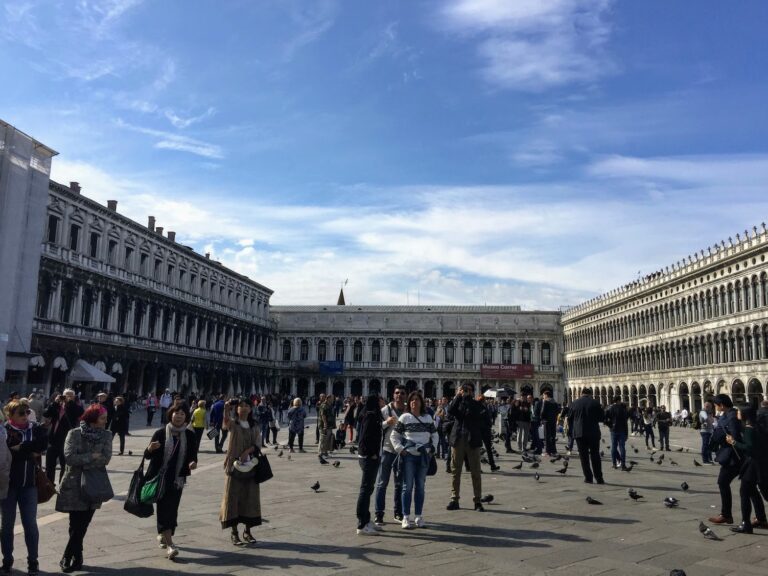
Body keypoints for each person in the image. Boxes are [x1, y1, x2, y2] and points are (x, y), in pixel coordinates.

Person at [55, 404, 113, 572]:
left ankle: (68, 555)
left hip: (94, 484)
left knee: (84, 523)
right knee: (75, 523)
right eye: (102, 418)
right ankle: (76, 556)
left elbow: (106, 459)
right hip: (73, 484)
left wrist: (84, 460)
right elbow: (69, 458)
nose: (105, 421)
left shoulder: (106, 435)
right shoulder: (74, 433)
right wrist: (92, 456)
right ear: (92, 418)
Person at [145, 404, 198, 560]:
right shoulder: (160, 433)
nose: (179, 416)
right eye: (176, 413)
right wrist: (150, 449)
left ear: (186, 417)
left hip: (177, 479)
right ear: (170, 415)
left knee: (173, 510)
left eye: (182, 413)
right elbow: (147, 456)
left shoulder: (189, 435)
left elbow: (193, 455)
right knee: (164, 510)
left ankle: (164, 534)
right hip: (160, 478)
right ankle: (170, 545)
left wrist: (192, 463)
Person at [2, 399, 48, 576]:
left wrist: (21, 448)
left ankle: (33, 561)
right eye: (21, 413)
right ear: (10, 415)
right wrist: (29, 451)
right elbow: (6, 453)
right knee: (7, 525)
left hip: (30, 484)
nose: (25, 416)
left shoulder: (35, 428)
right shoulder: (4, 430)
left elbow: (42, 445)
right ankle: (7, 561)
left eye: (27, 412)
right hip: (8, 485)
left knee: (30, 524)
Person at [391, 391, 438, 529]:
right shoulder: (405, 417)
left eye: (417, 399)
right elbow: (394, 435)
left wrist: (432, 449)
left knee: (421, 487)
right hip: (409, 456)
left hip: (423, 456)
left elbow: (435, 435)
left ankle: (418, 516)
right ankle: (406, 517)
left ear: (421, 402)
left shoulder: (427, 418)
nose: (414, 402)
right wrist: (401, 450)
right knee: (407, 487)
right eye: (412, 399)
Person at [220, 398, 262, 545]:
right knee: (232, 497)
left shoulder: (254, 425)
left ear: (250, 409)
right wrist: (226, 409)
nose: (243, 408)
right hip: (234, 465)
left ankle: (248, 531)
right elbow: (225, 423)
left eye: (246, 406)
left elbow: (258, 443)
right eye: (240, 406)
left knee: (250, 497)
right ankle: (234, 532)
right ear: (237, 409)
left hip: (251, 465)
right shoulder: (234, 423)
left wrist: (247, 451)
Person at [727, 405, 768, 533]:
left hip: (752, 464)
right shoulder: (758, 426)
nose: (737, 413)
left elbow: (749, 448)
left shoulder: (749, 428)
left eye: (739, 411)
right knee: (752, 491)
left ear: (745, 414)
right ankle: (760, 518)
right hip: (760, 463)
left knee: (744, 492)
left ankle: (746, 524)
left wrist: (733, 442)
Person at [446, 384, 485, 511]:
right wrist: (458, 396)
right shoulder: (458, 402)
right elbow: (450, 410)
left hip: (472, 439)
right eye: (464, 390)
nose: (466, 392)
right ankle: (454, 499)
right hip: (458, 439)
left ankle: (477, 501)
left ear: (472, 392)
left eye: (468, 390)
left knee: (475, 471)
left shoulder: (475, 404)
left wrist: (468, 398)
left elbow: (474, 414)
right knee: (455, 471)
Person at [374, 385, 406, 525]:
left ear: (405, 395)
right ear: (393, 394)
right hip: (387, 450)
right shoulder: (385, 410)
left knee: (399, 484)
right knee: (382, 483)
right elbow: (376, 427)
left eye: (402, 393)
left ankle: (398, 513)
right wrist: (386, 422)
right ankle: (379, 514)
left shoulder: (408, 411)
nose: (399, 395)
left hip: (402, 451)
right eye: (397, 392)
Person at [708, 394, 741, 525]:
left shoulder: (731, 417)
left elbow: (735, 436)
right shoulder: (727, 415)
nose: (715, 407)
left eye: (716, 405)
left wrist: (722, 437)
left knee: (723, 482)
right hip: (732, 455)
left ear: (721, 405)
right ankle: (760, 517)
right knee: (749, 488)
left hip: (734, 456)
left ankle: (726, 515)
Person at [355, 395, 384, 535]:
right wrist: (372, 453)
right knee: (365, 489)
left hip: (369, 456)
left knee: (368, 489)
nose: (383, 402)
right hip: (368, 457)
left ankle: (366, 519)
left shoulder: (371, 414)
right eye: (380, 400)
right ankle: (362, 524)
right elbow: (365, 438)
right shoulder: (371, 416)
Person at [43, 389, 83, 485]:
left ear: (74, 397)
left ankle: (62, 485)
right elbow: (46, 414)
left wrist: (70, 403)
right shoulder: (57, 406)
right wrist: (55, 403)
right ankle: (50, 485)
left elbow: (80, 413)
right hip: (53, 439)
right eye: (65, 395)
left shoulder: (75, 407)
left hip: (67, 440)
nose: (67, 397)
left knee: (64, 465)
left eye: (70, 395)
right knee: (49, 465)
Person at [567, 388, 604, 484]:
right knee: (595, 455)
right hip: (593, 432)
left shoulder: (574, 403)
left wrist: (571, 431)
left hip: (579, 433)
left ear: (581, 393)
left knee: (583, 456)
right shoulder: (595, 403)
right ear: (590, 394)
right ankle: (599, 478)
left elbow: (569, 418)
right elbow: (601, 418)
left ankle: (588, 477)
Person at [604, 396, 629, 470]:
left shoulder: (610, 408)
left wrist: (610, 425)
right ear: (618, 401)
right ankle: (623, 465)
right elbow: (625, 421)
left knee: (614, 447)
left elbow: (605, 419)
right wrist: (626, 433)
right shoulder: (623, 409)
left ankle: (614, 464)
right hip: (622, 430)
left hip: (613, 430)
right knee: (622, 448)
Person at [539, 390, 560, 456]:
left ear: (546, 395)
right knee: (553, 436)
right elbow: (558, 411)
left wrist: (542, 418)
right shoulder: (555, 402)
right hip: (553, 421)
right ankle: (554, 451)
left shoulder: (546, 402)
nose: (543, 396)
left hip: (547, 421)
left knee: (547, 436)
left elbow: (542, 412)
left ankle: (547, 451)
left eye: (543, 395)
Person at [317, 394, 336, 461]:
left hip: (329, 425)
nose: (333, 399)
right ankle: (320, 453)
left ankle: (325, 452)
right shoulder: (324, 405)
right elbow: (323, 415)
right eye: (332, 398)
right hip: (324, 425)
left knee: (328, 439)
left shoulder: (330, 405)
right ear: (328, 398)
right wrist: (325, 423)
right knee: (323, 439)